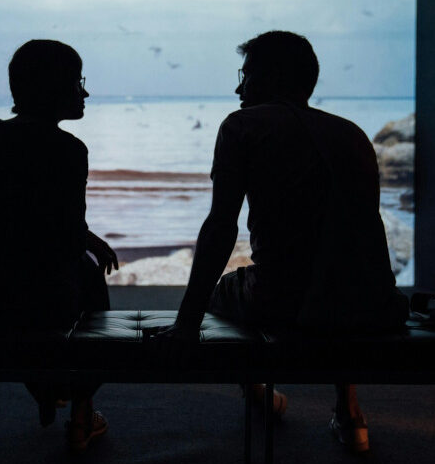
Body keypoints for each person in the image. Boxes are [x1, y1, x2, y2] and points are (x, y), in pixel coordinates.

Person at [148, 31, 409, 453]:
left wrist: (186, 323)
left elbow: (220, 227)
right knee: (333, 269)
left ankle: (259, 393)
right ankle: (349, 409)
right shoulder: (353, 134)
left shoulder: (243, 126)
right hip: (373, 304)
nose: (238, 87)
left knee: (226, 291)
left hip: (286, 304)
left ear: (271, 77)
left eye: (246, 75)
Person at [0, 39, 119, 452]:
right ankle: (82, 413)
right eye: (77, 82)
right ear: (57, 88)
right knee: (86, 277)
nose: (85, 92)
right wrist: (83, 242)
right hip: (38, 306)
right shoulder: (69, 150)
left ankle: (49, 387)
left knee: (40, 279)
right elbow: (65, 238)